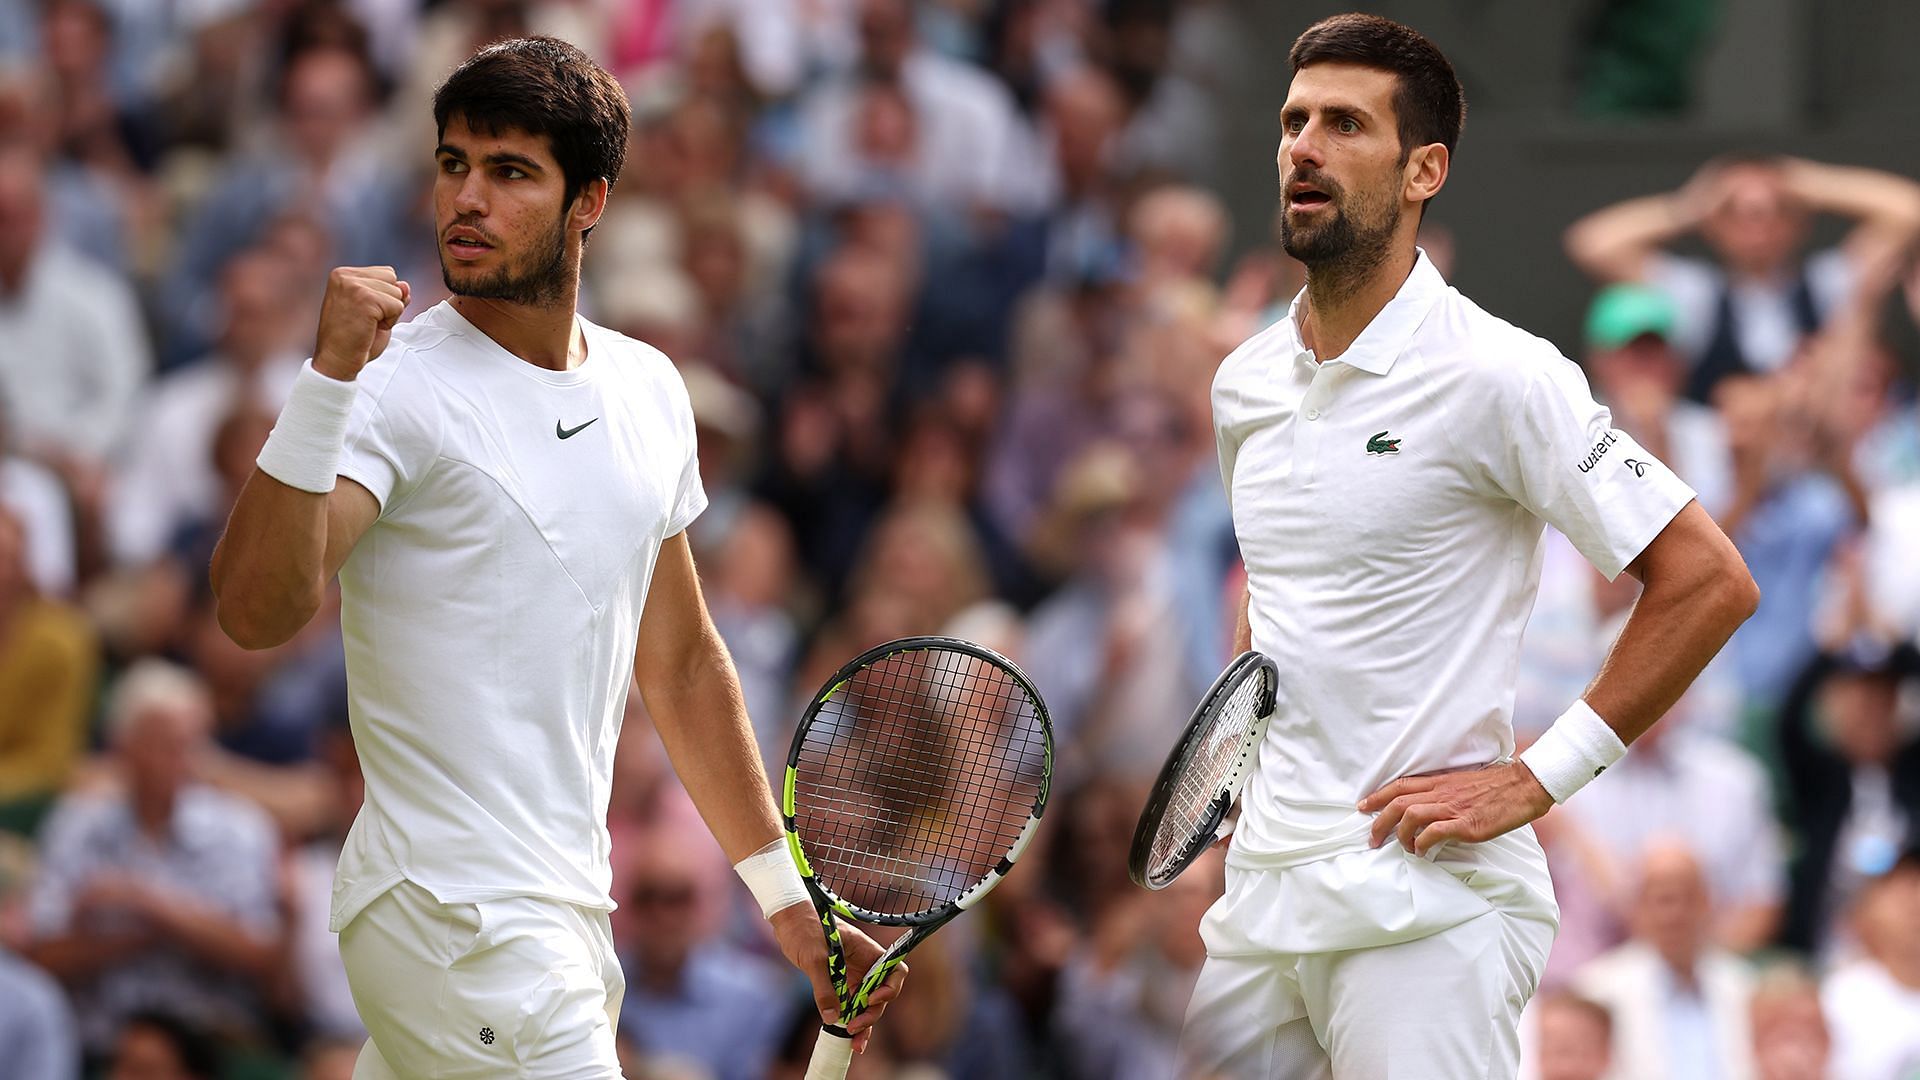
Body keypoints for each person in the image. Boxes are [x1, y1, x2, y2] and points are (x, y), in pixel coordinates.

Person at [208, 37, 899, 1078]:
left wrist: (783, 898)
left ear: (591, 202)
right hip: (451, 916)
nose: (468, 198)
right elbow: (256, 612)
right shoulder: (391, 392)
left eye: (511, 172)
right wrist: (326, 380)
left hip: (564, 914)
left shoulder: (651, 389)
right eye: (453, 165)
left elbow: (680, 661)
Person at [1183, 15, 1758, 1078]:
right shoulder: (1244, 384)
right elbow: (1276, 595)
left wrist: (1537, 778)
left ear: (1422, 171)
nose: (1303, 146)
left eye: (1345, 124)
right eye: (1293, 120)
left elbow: (1709, 580)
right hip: (1261, 907)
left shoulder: (1504, 375)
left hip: (1427, 913)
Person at [1563, 154, 1920, 402]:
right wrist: (1692, 206)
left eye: (1776, 211)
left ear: (1800, 222)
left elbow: (1908, 210)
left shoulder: (1828, 283)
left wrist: (1803, 181)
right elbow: (1593, 243)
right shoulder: (1695, 294)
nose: (1758, 226)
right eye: (1736, 213)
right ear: (1713, 225)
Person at [1572, 841, 1759, 1080]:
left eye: (1687, 898)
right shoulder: (1596, 990)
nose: (1674, 913)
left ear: (1708, 903)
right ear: (1639, 906)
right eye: (1663, 899)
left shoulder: (1745, 987)